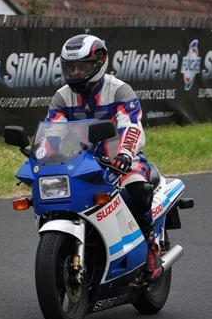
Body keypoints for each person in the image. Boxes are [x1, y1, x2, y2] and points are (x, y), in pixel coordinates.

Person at [45, 34, 163, 283]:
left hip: (120, 162)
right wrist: (42, 158)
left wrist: (124, 154)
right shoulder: (62, 96)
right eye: (70, 68)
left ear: (100, 62)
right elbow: (53, 131)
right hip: (78, 165)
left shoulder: (119, 90)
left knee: (138, 189)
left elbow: (130, 125)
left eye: (82, 67)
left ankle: (151, 245)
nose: (76, 73)